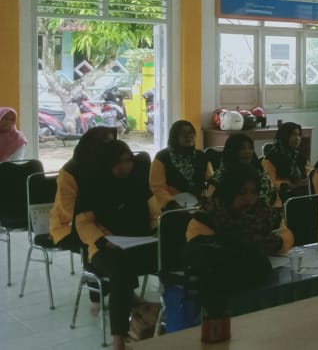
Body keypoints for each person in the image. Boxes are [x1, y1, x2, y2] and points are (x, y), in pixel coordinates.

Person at [184, 163, 285, 336]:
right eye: (242, 192)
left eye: (254, 192)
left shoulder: (262, 213)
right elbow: (208, 256)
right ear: (228, 192)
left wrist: (278, 242)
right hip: (222, 292)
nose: (249, 199)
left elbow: (286, 234)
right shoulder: (205, 219)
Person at [74, 140, 156, 350]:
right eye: (118, 163)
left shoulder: (137, 184)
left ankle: (175, 318)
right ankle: (119, 339)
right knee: (120, 273)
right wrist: (102, 241)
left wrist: (157, 228)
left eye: (128, 161)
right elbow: (83, 223)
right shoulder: (94, 188)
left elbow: (155, 213)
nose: (125, 167)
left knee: (173, 257)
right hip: (103, 248)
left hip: (139, 243)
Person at [214, 134, 293, 249]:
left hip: (267, 225)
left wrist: (277, 240)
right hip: (234, 230)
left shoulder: (260, 173)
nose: (247, 152)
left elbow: (274, 200)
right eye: (242, 148)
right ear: (232, 151)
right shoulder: (221, 178)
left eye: (250, 148)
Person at [49, 126, 118, 251]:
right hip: (69, 226)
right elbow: (69, 210)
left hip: (101, 221)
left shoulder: (107, 165)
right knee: (103, 247)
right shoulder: (70, 172)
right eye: (106, 145)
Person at [149, 120, 213, 213]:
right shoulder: (162, 157)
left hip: (197, 204)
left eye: (191, 132)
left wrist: (206, 198)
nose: (188, 136)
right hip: (168, 205)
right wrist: (171, 203)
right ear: (174, 137)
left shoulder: (201, 156)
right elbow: (157, 187)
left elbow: (211, 180)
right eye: (183, 132)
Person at [262, 122, 311, 202]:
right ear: (284, 136)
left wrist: (305, 181)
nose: (297, 138)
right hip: (279, 198)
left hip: (300, 196)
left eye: (299, 135)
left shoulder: (300, 157)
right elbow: (268, 183)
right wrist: (288, 185)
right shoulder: (271, 158)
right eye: (293, 134)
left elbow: (309, 174)